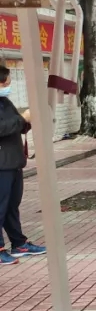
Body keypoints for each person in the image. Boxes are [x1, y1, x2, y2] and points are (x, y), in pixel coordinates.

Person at [0, 66, 44, 265]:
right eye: (5, 83)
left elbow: (15, 125)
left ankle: (19, 243)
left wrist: (28, 121)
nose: (8, 86)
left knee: (12, 205)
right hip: (2, 165)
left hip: (14, 162)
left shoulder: (5, 102)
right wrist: (21, 119)